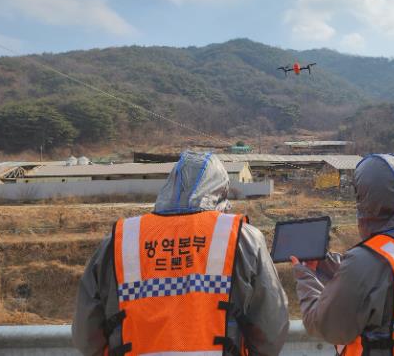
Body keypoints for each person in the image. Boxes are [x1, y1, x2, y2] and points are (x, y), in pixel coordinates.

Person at [72, 151, 289, 356]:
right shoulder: (242, 237)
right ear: (221, 191)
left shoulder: (121, 239)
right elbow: (271, 329)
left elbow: (86, 336)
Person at [291, 154, 394, 355]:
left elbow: (326, 327)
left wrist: (305, 276)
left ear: (364, 200)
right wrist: (329, 264)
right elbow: (390, 286)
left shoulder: (367, 260)